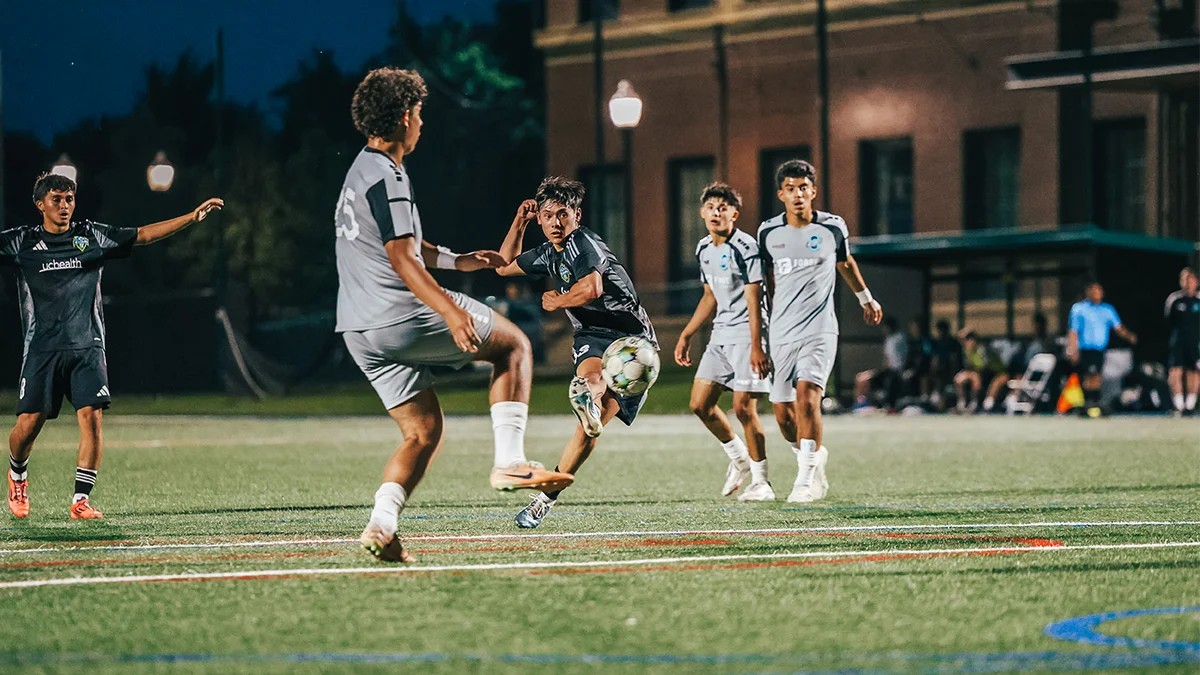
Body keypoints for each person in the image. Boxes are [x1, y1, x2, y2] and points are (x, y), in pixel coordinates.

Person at [336, 68, 571, 562]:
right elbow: (401, 258)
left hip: (358, 330)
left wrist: (458, 261)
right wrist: (448, 309)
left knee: (422, 432)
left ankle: (382, 524)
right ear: (404, 117)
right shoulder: (390, 174)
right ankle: (509, 462)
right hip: (400, 315)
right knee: (514, 346)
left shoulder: (362, 169)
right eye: (420, 113)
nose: (422, 123)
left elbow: (403, 243)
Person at [2, 172, 222, 520]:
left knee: (92, 419)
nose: (64, 206)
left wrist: (191, 217)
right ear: (39, 204)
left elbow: (144, 235)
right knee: (30, 423)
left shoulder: (91, 236)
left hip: (87, 346)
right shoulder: (21, 243)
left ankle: (80, 500)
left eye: (69, 199)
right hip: (42, 349)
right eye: (57, 200)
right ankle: (17, 475)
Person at [496, 176, 657, 527]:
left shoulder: (583, 241)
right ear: (540, 218)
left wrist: (557, 302)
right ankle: (587, 399)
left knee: (589, 430)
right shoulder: (545, 253)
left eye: (563, 214)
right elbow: (502, 264)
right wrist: (518, 222)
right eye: (548, 215)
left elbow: (592, 287)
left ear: (577, 216)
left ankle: (589, 403)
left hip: (633, 340)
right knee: (592, 393)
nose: (556, 222)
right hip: (594, 333)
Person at [751, 160, 883, 503]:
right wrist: (760, 338)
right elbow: (762, 283)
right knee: (783, 415)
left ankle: (805, 481)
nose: (798, 195)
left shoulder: (833, 228)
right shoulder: (767, 233)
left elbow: (846, 263)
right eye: (790, 189)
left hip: (820, 329)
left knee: (808, 396)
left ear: (813, 191)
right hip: (780, 333)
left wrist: (865, 299)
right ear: (781, 194)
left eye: (803, 188)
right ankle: (812, 456)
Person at [674, 182, 773, 501]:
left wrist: (758, 345)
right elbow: (709, 296)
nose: (716, 213)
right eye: (711, 208)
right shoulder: (703, 248)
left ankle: (762, 483)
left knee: (744, 408)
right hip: (720, 334)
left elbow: (754, 299)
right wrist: (687, 333)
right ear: (702, 213)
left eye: (723, 208)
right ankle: (739, 458)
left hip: (748, 333)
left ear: (735, 213)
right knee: (700, 404)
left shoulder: (746, 248)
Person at [1066, 281, 1138, 417]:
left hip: (1100, 349)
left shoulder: (1107, 309)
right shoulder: (1079, 309)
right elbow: (1073, 331)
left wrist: (1129, 336)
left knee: (1098, 376)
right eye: (1094, 290)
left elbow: (1118, 327)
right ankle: (1088, 403)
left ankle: (1094, 403)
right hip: (1086, 348)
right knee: (1088, 376)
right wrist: (1072, 348)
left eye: (1099, 290)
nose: (1097, 293)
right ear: (1088, 291)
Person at [1164, 267, 1200, 414]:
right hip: (1178, 341)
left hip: (1196, 343)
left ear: (1196, 282)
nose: (1188, 283)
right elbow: (1168, 320)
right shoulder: (1174, 299)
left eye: (1191, 280)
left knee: (1194, 372)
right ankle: (1178, 406)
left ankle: (1190, 406)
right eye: (1185, 280)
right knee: (1176, 372)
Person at [853, 317, 906, 410]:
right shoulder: (889, 339)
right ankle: (861, 403)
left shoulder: (899, 337)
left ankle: (864, 404)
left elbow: (898, 357)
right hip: (886, 370)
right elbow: (886, 359)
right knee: (860, 378)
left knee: (863, 379)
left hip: (895, 371)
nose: (883, 330)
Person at [953, 330, 1004, 413]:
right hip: (977, 372)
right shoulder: (967, 350)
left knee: (975, 378)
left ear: (974, 340)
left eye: (967, 339)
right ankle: (962, 404)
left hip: (993, 373)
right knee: (958, 379)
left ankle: (975, 404)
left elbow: (985, 367)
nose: (965, 342)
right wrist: (969, 373)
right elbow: (969, 367)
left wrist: (972, 373)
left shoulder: (982, 349)